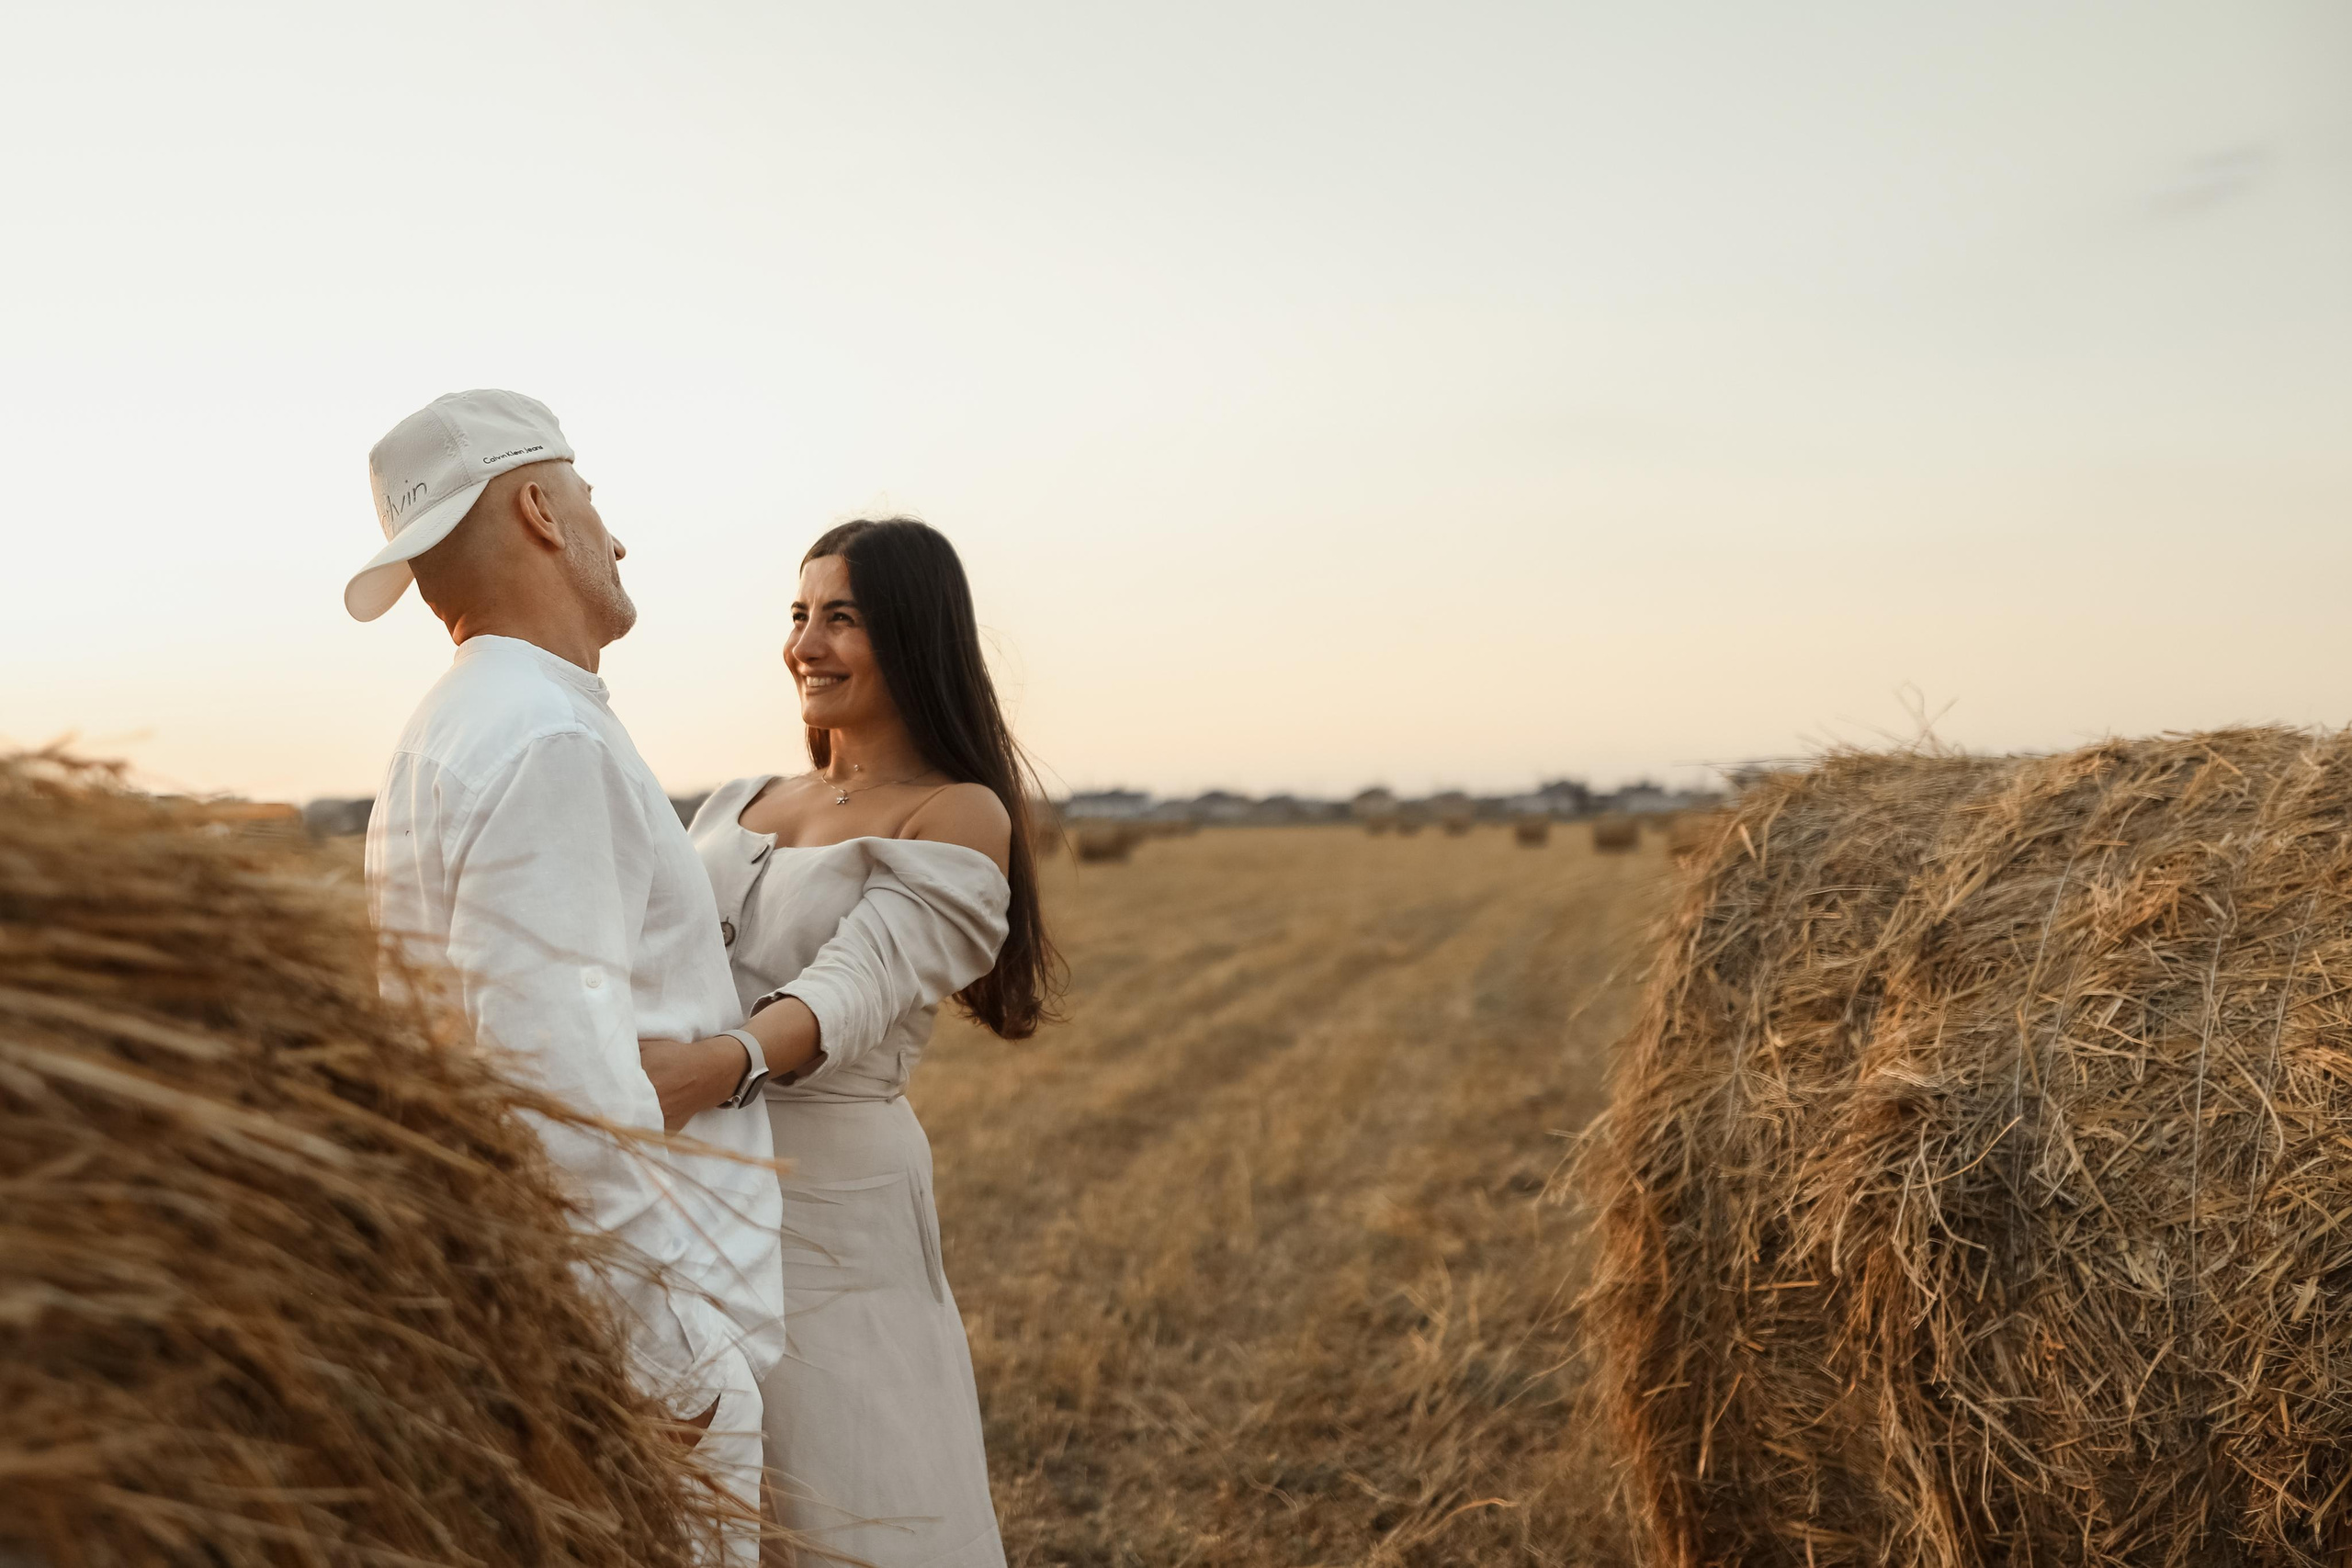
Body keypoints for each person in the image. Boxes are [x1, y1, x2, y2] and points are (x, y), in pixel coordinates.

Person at [347, 389, 785, 1564]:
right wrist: (667, 1358)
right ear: (541, 510)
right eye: (593, 499)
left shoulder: (448, 730)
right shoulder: (548, 739)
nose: (617, 536)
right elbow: (553, 1081)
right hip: (633, 1339)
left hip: (545, 1314)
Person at [648, 517, 1057, 1567]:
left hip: (831, 1190)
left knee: (847, 1485)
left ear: (913, 636)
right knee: (709, 1494)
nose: (806, 645)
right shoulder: (736, 802)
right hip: (688, 1180)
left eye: (843, 618)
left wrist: (718, 1065)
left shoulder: (955, 813)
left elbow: (859, 978)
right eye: (798, 615)